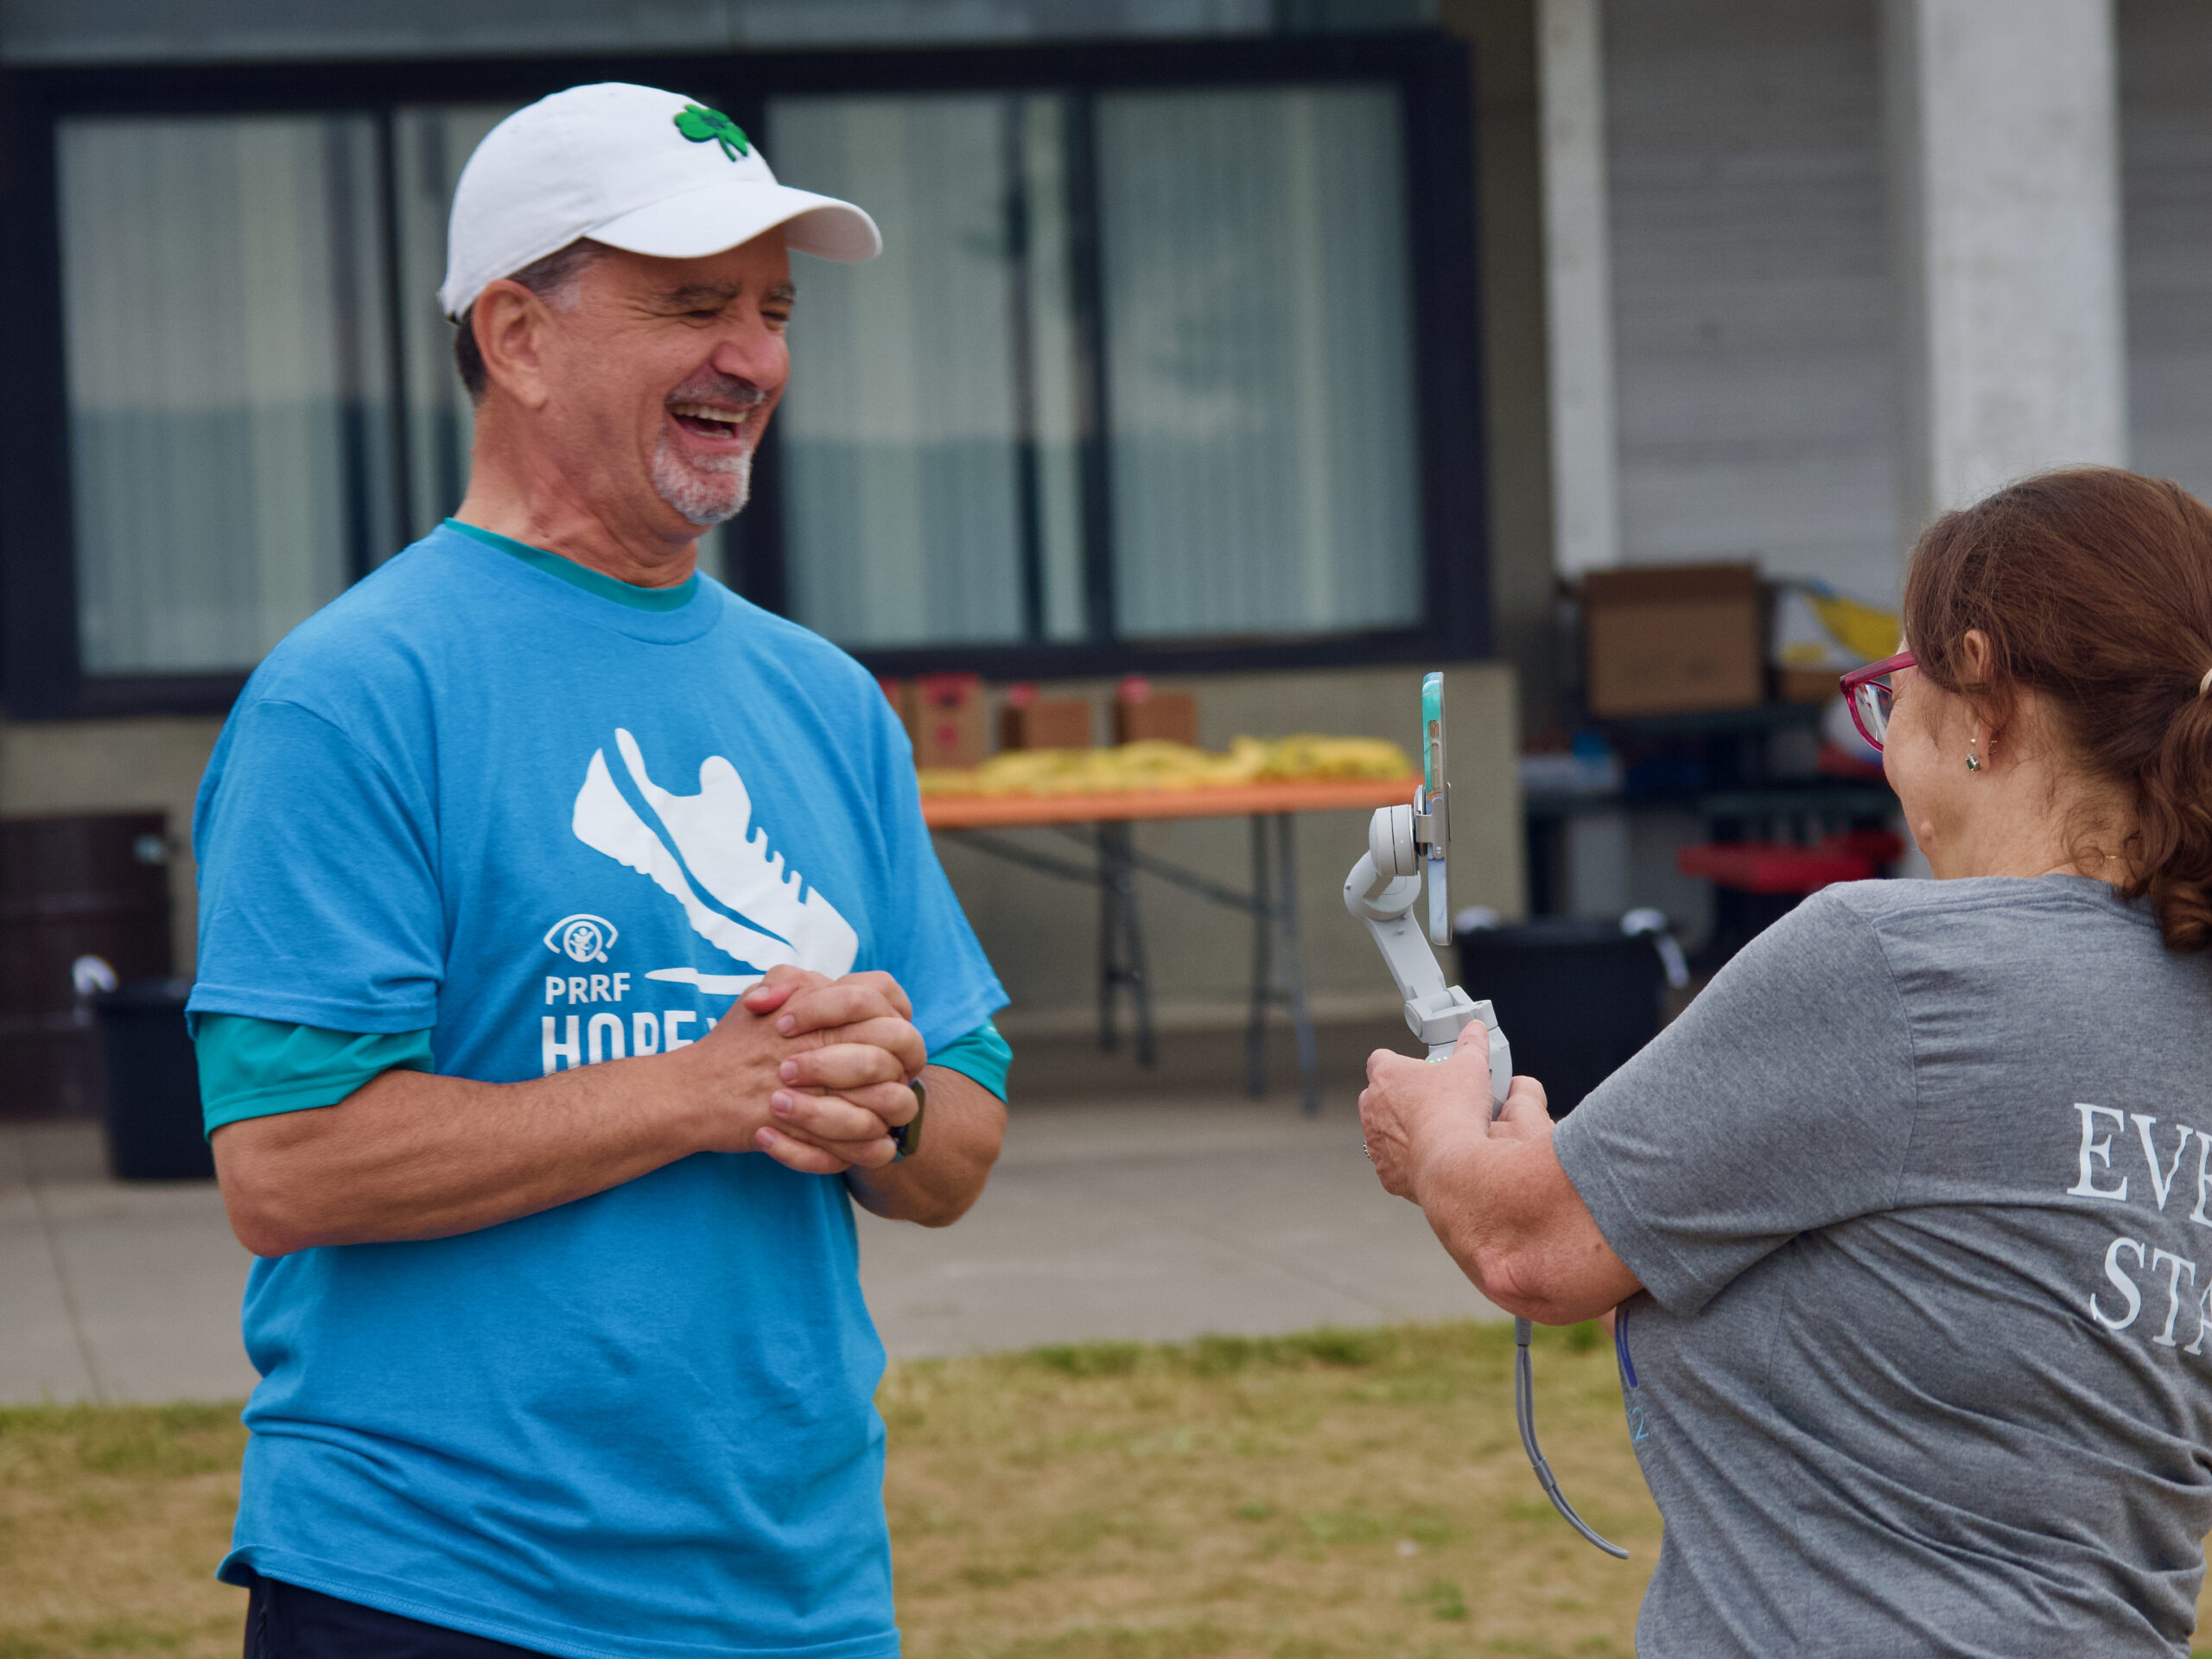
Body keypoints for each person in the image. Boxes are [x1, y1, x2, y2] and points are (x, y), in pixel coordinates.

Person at [189, 83, 1012, 1659]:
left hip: (800, 1594)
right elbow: (286, 1164)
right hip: (438, 1584)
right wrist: (710, 1090)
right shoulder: (354, 691)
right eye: (693, 304)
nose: (756, 356)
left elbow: (958, 1144)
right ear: (517, 337)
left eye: (772, 311)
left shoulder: (826, 702)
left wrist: (879, 1099)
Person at [1359, 466, 2212, 1656]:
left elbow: (1527, 1246)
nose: (1882, 743)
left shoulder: (1885, 966)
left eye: (1888, 692)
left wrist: (1436, 1123)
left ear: (1988, 698)